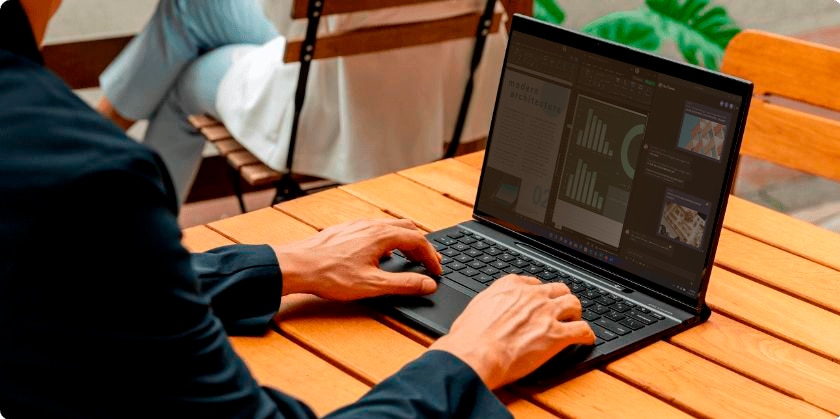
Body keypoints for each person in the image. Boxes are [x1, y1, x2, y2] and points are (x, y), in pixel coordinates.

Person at [0, 0, 594, 417]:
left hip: (316, 108)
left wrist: (279, 264)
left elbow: (78, 290)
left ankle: (114, 118)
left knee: (190, 16)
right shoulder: (87, 183)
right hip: (437, 106)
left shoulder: (54, 176)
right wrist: (473, 356)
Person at [96, 0, 508, 204]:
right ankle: (98, 147)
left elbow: (282, 18)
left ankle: (102, 159)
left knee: (183, 72)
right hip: (449, 115)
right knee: (190, 7)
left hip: (319, 119)